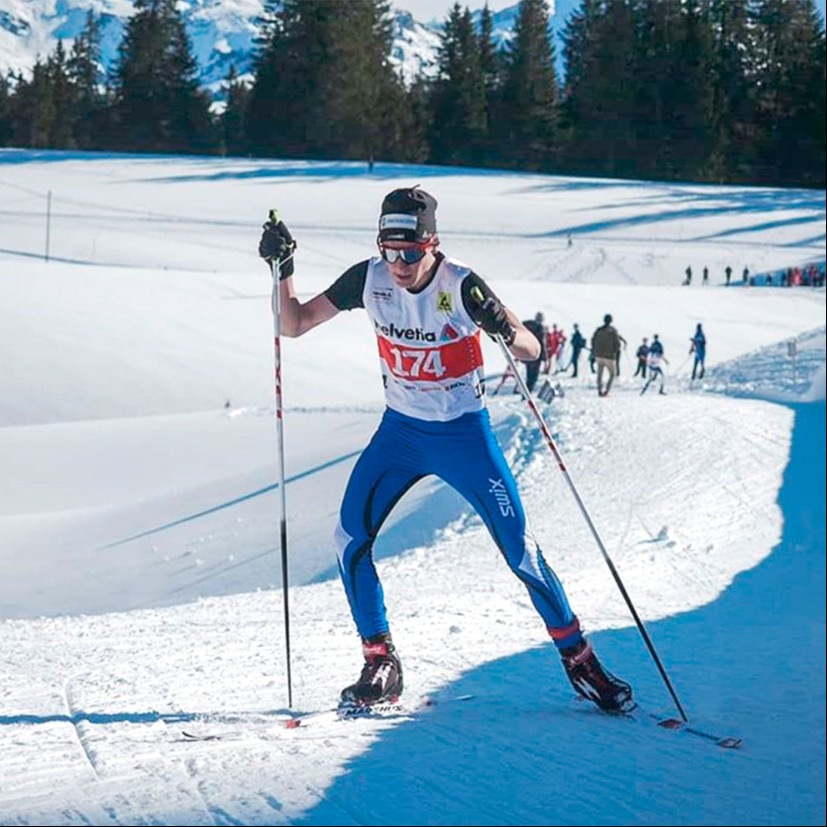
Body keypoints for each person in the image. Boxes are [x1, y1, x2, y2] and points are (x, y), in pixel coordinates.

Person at [257, 186, 633, 714]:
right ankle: (380, 662)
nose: (400, 264)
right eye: (390, 251)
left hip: (463, 436)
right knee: (349, 536)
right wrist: (283, 269)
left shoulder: (460, 284)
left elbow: (529, 348)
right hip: (401, 434)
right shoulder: (368, 278)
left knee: (520, 550)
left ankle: (580, 660)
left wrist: (502, 325)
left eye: (410, 253)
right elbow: (291, 324)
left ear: (432, 243)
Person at [591, 314, 623, 397]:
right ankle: (606, 391)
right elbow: (617, 344)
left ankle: (599, 389)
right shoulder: (613, 331)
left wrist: (594, 351)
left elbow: (593, 340)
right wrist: (614, 352)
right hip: (609, 356)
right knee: (612, 374)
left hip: (598, 355)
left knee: (600, 373)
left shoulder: (598, 330)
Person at [522, 312, 547, 392]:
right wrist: (545, 357)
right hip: (536, 355)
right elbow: (542, 343)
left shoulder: (528, 326)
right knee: (534, 376)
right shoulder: (540, 328)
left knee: (528, 374)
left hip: (527, 354)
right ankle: (528, 392)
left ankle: (525, 392)